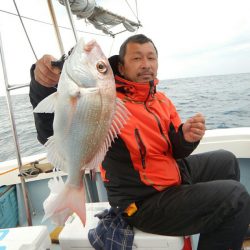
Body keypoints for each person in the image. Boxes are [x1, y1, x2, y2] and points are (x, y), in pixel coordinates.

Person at [29, 34, 250, 250]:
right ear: (122, 68)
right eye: (136, 58)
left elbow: (176, 150)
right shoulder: (109, 101)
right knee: (236, 197)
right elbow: (53, 128)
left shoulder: (160, 100)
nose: (146, 64)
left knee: (227, 161)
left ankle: (223, 227)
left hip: (168, 174)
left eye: (151, 57)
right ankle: (230, 216)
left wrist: (185, 137)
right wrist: (42, 83)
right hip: (142, 201)